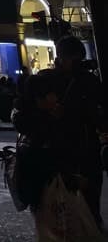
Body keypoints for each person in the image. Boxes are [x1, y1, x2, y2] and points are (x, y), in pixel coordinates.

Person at [12, 34, 105, 232]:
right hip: (59, 157)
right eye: (73, 59)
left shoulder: (88, 81)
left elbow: (99, 113)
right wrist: (48, 113)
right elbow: (21, 117)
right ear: (60, 59)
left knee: (90, 210)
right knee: (61, 214)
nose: (77, 64)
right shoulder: (44, 82)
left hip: (86, 151)